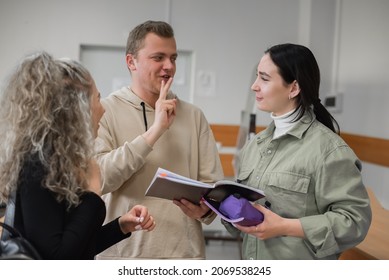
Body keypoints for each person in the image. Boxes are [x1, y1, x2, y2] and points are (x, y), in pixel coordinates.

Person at [222, 43, 372, 260]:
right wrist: (216, 207)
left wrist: (285, 226)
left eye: (264, 79)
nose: (254, 86)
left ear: (293, 88)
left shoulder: (329, 151)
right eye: (257, 77)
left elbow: (354, 221)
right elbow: (244, 221)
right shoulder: (255, 146)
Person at [0, 52, 155, 260]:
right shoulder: (38, 164)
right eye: (97, 99)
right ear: (77, 108)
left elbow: (77, 245)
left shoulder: (59, 159)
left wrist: (120, 226)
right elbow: (57, 258)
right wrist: (92, 192)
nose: (103, 110)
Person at [95, 20, 223, 259]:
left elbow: (213, 189)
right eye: (158, 58)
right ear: (131, 61)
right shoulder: (105, 111)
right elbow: (99, 180)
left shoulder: (194, 116)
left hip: (184, 257)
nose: (169, 66)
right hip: (121, 256)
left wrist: (205, 209)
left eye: (173, 58)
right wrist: (154, 132)